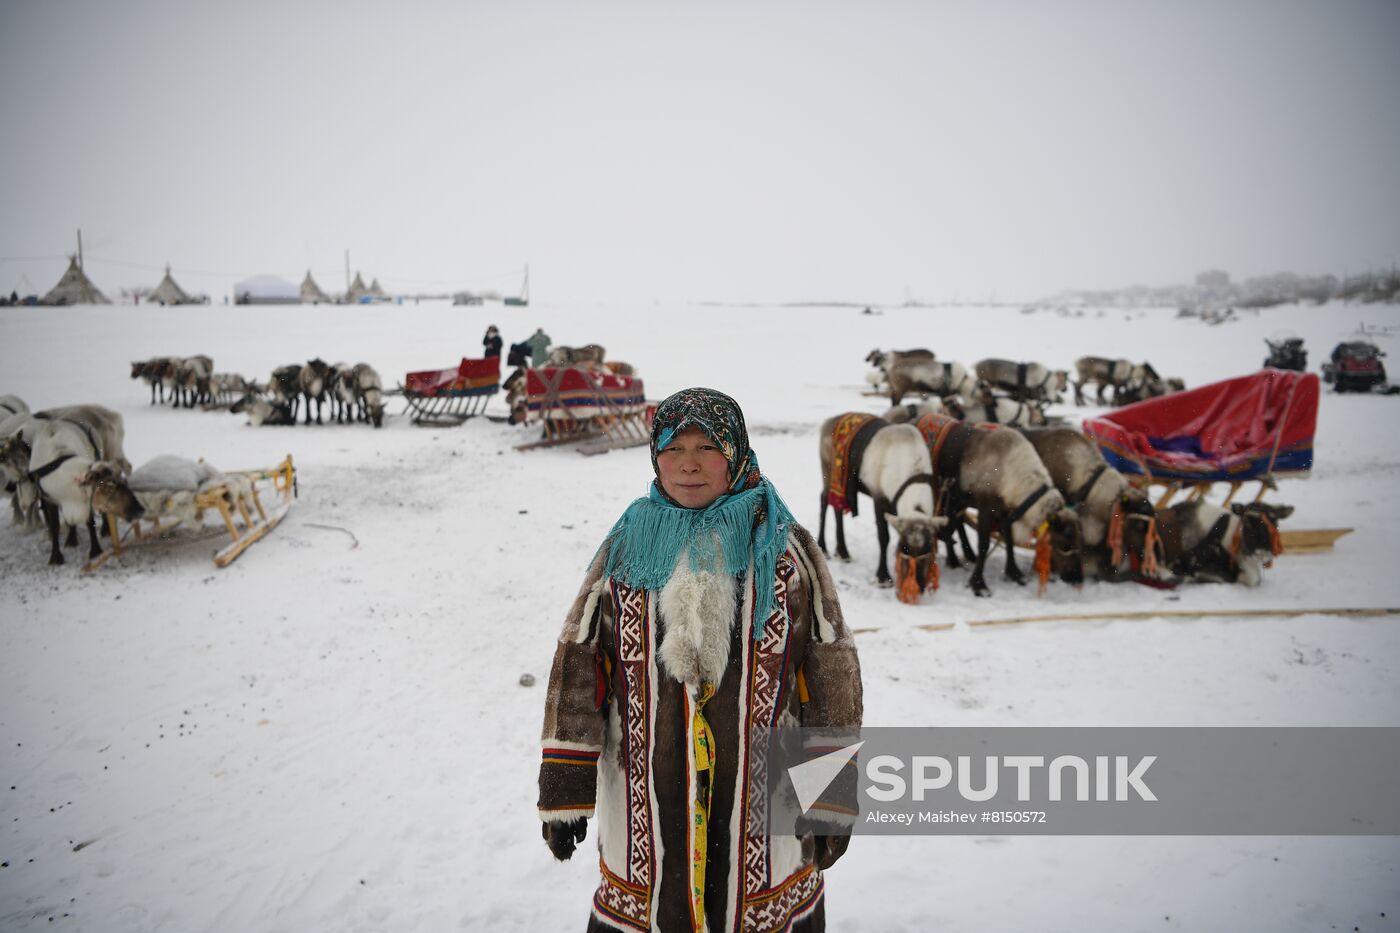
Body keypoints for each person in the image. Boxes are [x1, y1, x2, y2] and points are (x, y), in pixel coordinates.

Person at [537, 388, 862, 933]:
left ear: (735, 454)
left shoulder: (784, 551)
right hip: (645, 808)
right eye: (672, 446)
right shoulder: (627, 548)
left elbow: (829, 674)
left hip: (764, 812)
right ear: (654, 457)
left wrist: (831, 796)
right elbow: (580, 663)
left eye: (707, 447)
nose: (688, 462)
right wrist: (565, 782)